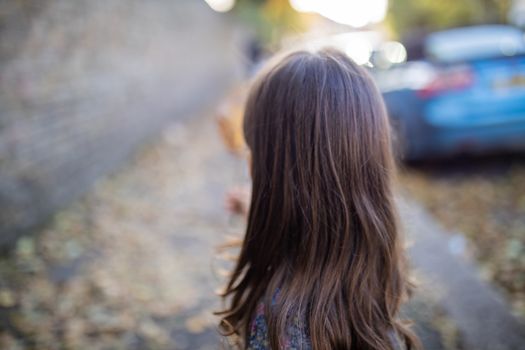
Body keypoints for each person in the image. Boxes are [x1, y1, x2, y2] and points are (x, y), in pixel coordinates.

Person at [217, 48, 421, 350]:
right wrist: (255, 211)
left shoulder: (276, 326)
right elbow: (310, 227)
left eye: (253, 151)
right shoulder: (369, 266)